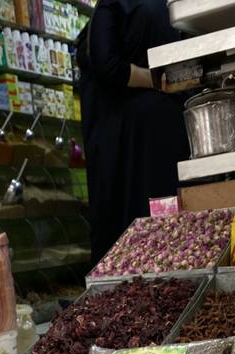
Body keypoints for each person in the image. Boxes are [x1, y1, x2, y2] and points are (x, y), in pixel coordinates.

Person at [77, 0, 190, 266]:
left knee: (124, 241)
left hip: (128, 141)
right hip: (169, 133)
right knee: (167, 237)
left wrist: (153, 80)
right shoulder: (170, 10)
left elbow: (106, 64)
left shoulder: (117, 5)